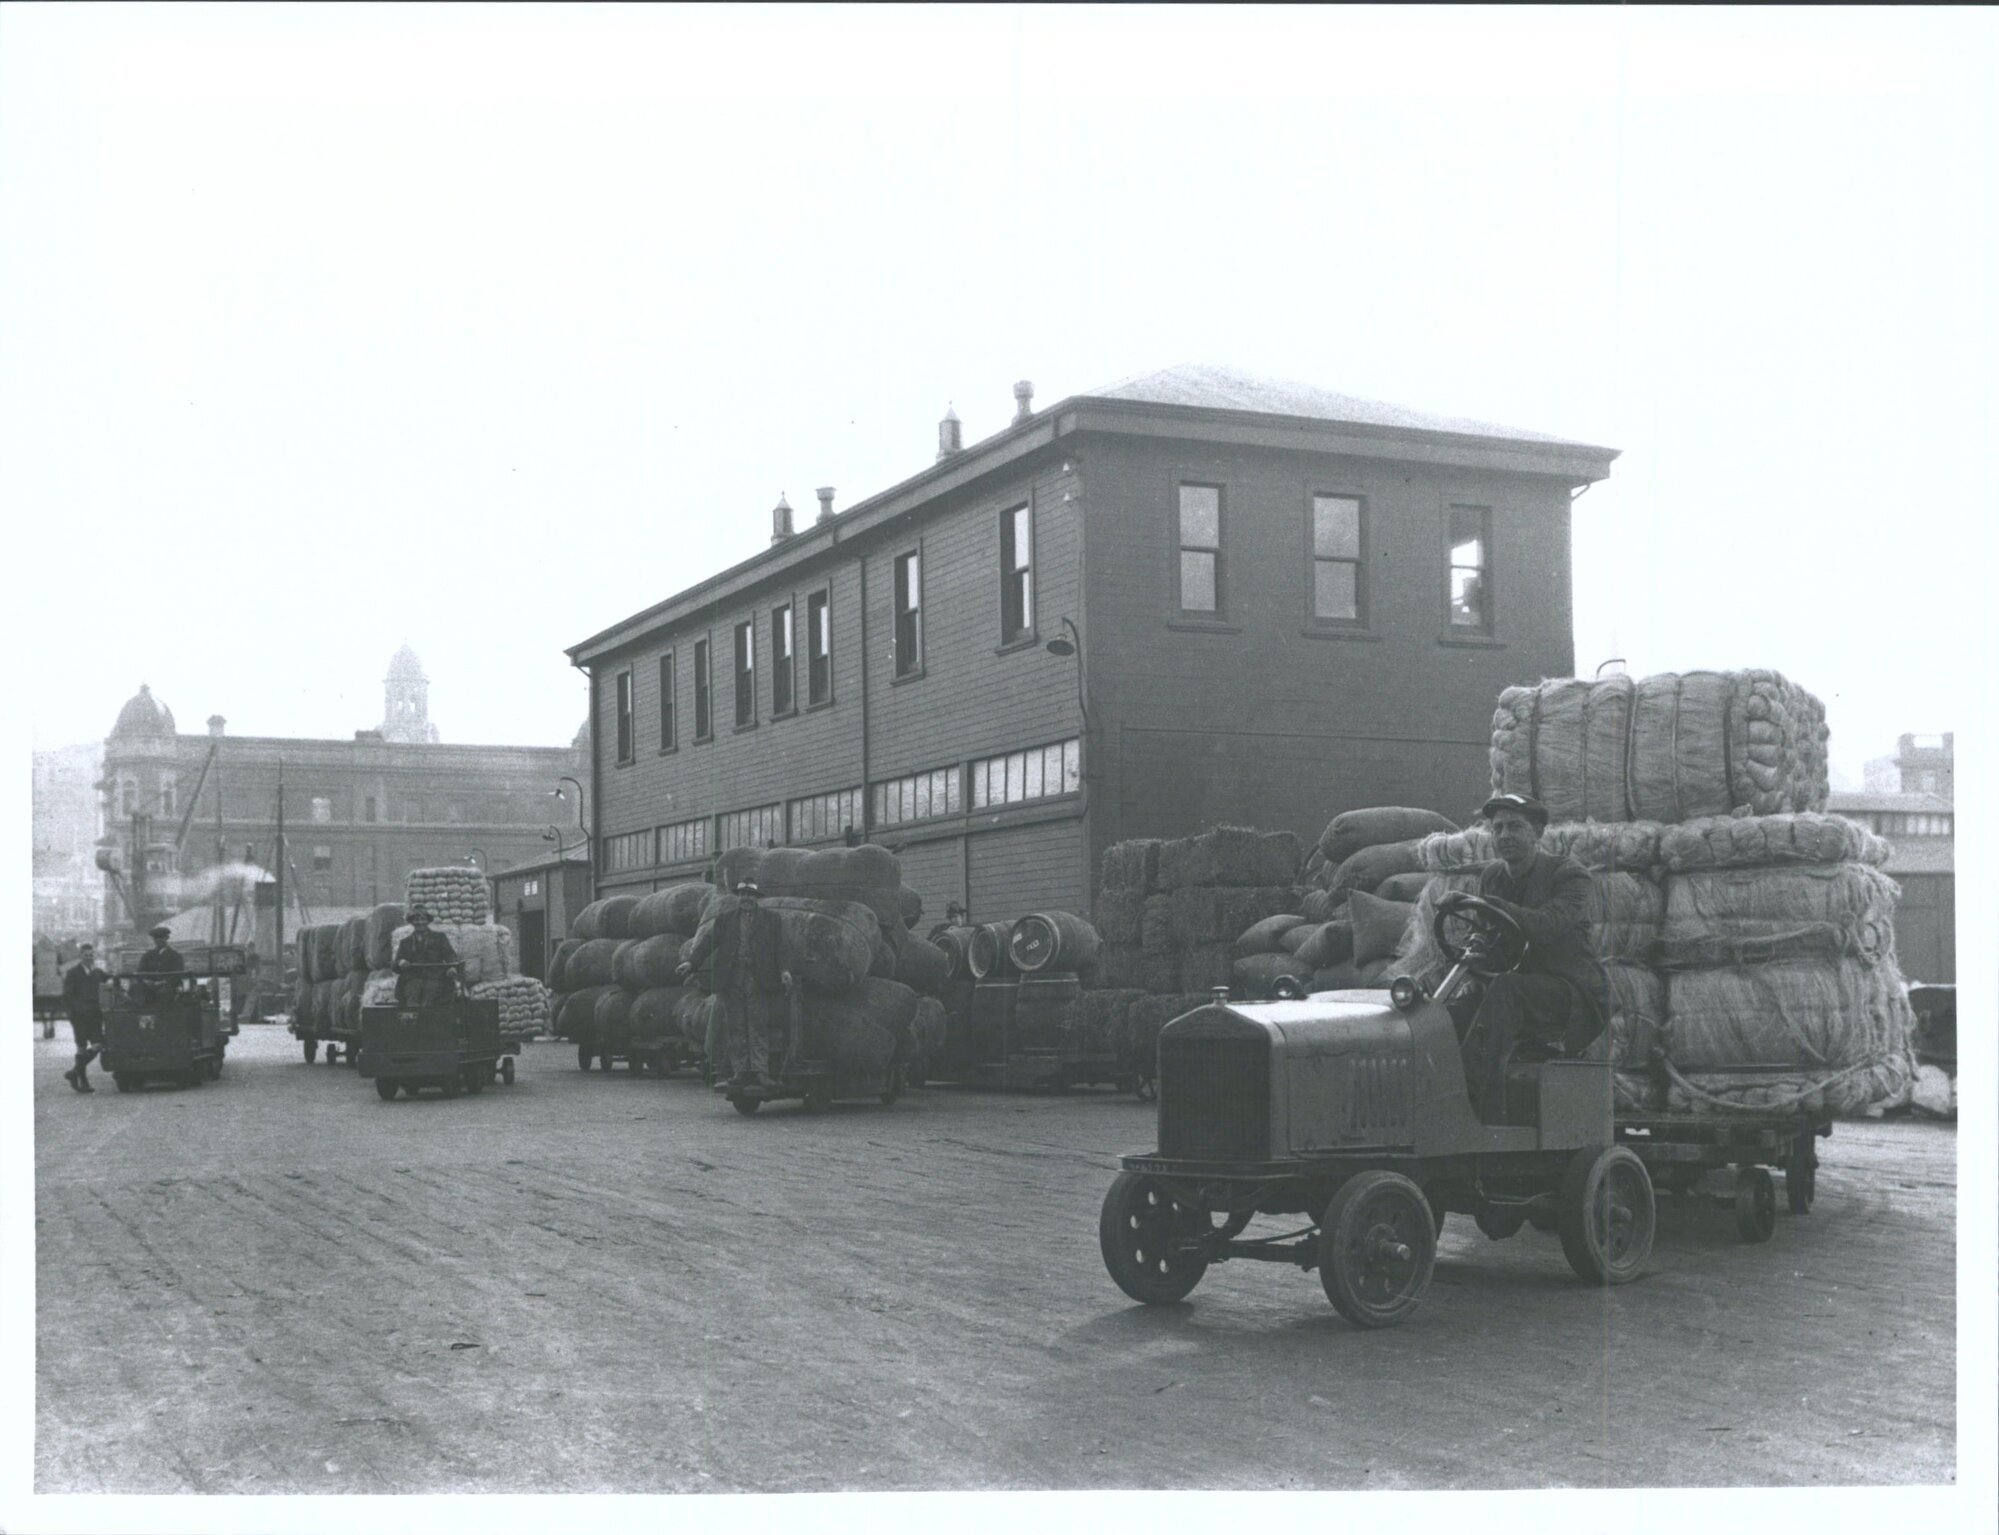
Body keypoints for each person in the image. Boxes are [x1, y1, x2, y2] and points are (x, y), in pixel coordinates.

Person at [1451, 793, 1608, 1120]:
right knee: (1446, 1012)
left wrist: (1486, 904)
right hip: (1516, 988)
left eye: (1515, 827)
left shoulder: (1569, 874)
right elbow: (1485, 932)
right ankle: (1435, 1095)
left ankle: (1474, 1108)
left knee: (1508, 989)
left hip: (1570, 993)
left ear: (1537, 833)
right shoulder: (1492, 876)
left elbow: (1546, 925)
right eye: (1497, 829)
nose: (1504, 836)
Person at [678, 880, 786, 1091]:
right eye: (742, 894)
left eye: (750, 895)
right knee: (736, 1027)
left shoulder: (772, 920)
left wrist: (785, 971)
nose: (746, 898)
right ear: (738, 897)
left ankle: (760, 1072)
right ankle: (741, 1072)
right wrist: (691, 962)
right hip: (731, 980)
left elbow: (781, 947)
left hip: (759, 980)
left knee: (758, 1026)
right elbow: (708, 943)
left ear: (757, 898)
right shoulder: (725, 920)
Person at [61, 943, 110, 1093]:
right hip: (80, 1017)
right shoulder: (73, 973)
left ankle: (75, 1072)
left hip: (95, 1015)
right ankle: (83, 1082)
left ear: (93, 956)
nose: (89, 958)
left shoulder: (97, 972)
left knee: (99, 1043)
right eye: (85, 955)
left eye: (91, 955)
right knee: (81, 1048)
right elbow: (68, 996)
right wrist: (76, 1012)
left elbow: (111, 979)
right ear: (80, 956)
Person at [393, 907, 464, 1007]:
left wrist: (452, 967)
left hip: (435, 978)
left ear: (428, 921)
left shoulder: (439, 937)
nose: (420, 922)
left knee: (430, 999)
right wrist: (400, 962)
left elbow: (450, 955)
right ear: (411, 922)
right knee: (412, 998)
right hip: (412, 979)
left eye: (423, 919)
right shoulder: (405, 942)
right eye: (416, 920)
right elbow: (395, 963)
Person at [135, 924, 186, 1004]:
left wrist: (163, 982)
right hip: (149, 985)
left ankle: (162, 1015)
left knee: (163, 994)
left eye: (161, 938)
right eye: (156, 938)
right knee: (136, 990)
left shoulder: (175, 956)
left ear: (166, 938)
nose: (158, 940)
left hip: (167, 986)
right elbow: (140, 972)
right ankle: (141, 1014)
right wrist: (146, 981)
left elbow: (177, 974)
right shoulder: (147, 955)